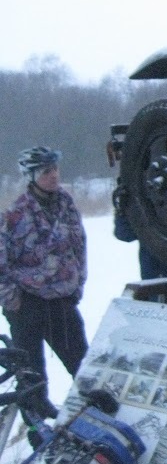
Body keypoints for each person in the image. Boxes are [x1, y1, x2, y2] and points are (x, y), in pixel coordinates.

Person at [0, 147, 89, 416]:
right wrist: (11, 299)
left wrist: (78, 283)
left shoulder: (67, 205)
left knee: (84, 367)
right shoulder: (15, 214)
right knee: (32, 377)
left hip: (61, 301)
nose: (53, 176)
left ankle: (95, 419)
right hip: (27, 303)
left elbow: (79, 246)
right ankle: (37, 431)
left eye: (55, 170)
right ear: (32, 175)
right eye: (46, 171)